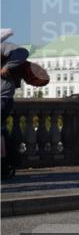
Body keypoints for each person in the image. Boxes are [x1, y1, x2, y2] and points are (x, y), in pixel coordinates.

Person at [1, 29, 28, 180]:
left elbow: (22, 52)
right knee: (1, 132)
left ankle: (8, 163)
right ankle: (8, 163)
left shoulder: (2, 47)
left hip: (2, 97)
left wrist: (7, 67)